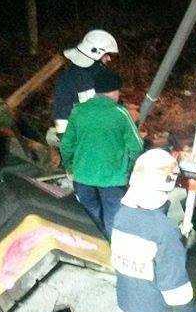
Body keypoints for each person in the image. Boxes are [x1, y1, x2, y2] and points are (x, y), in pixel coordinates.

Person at [111, 149, 196, 312]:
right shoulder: (165, 231)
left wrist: (174, 241)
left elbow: (142, 252)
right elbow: (174, 287)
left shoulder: (120, 217)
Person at [60, 68, 143, 237]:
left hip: (83, 177)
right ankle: (113, 249)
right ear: (115, 91)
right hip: (113, 179)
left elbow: (66, 145)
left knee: (90, 219)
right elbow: (137, 146)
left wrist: (70, 167)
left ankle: (95, 246)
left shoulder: (78, 111)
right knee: (114, 219)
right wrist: (128, 170)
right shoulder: (120, 113)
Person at [52, 29, 119, 137]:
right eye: (107, 55)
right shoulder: (91, 78)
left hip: (72, 134)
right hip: (82, 137)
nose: (109, 59)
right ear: (96, 54)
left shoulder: (67, 76)